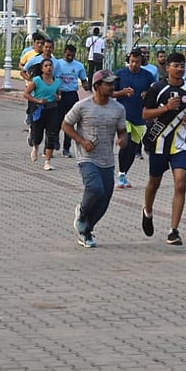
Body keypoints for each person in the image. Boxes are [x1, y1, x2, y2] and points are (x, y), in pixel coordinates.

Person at [64, 69, 129, 248]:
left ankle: (86, 230)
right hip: (87, 157)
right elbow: (66, 124)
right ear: (97, 86)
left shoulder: (118, 108)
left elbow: (122, 131)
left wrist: (123, 139)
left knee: (105, 198)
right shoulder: (83, 106)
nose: (112, 87)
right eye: (108, 83)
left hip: (107, 159)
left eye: (112, 83)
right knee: (95, 189)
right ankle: (82, 211)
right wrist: (81, 141)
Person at [140, 52, 186, 244]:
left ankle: (173, 230)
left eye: (182, 66)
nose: (179, 69)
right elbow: (146, 114)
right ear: (168, 68)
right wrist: (165, 108)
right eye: (176, 65)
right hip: (158, 142)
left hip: (180, 144)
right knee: (154, 182)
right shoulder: (157, 88)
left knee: (180, 183)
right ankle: (147, 210)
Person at [112, 49, 156, 189]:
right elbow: (111, 93)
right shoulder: (120, 74)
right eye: (132, 61)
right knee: (127, 143)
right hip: (123, 115)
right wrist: (123, 92)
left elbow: (155, 92)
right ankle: (120, 174)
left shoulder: (148, 75)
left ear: (141, 62)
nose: (134, 64)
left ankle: (124, 173)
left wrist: (147, 94)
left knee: (133, 148)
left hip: (140, 117)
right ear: (128, 60)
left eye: (137, 62)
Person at [26, 57, 62, 170]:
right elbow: (26, 94)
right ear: (42, 69)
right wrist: (38, 101)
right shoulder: (37, 80)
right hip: (39, 110)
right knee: (38, 135)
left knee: (51, 135)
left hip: (52, 109)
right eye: (46, 66)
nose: (49, 68)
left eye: (50, 66)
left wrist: (58, 97)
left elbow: (59, 95)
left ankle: (47, 161)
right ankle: (35, 147)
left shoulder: (57, 81)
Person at [55, 44, 87, 159]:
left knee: (70, 122)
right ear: (64, 53)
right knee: (57, 120)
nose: (70, 57)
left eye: (72, 55)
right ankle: (55, 140)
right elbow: (53, 78)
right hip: (60, 95)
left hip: (72, 95)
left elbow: (83, 80)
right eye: (68, 55)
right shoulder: (58, 64)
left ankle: (66, 148)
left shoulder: (79, 66)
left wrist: (88, 87)